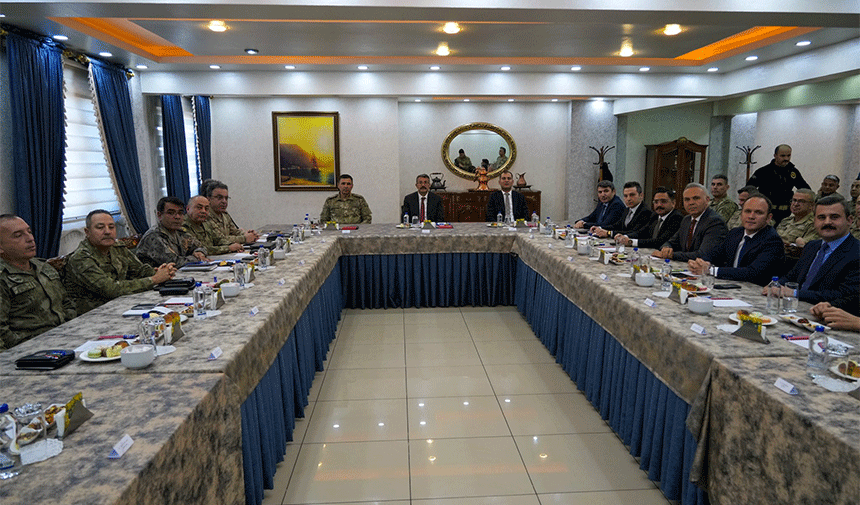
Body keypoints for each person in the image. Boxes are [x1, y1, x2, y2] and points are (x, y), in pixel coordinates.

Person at [64, 210, 176, 314]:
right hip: (94, 314)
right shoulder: (81, 258)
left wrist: (162, 271)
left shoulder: (117, 248)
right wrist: (154, 279)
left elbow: (140, 270)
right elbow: (111, 289)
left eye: (111, 227)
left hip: (123, 305)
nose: (107, 232)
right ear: (87, 232)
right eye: (100, 227)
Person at [766, 195, 859, 311]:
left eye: (834, 217)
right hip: (793, 310)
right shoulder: (812, 246)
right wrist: (776, 285)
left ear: (849, 220)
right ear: (814, 221)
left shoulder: (856, 252)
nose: (827, 222)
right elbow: (793, 275)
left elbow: (843, 294)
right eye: (821, 217)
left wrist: (794, 293)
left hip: (826, 317)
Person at [0, 214, 76, 351]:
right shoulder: (3, 278)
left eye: (29, 232)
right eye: (18, 235)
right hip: (29, 350)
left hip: (66, 338)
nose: (30, 239)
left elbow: (66, 302)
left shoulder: (43, 266)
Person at [688, 195, 784, 286]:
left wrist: (710, 270)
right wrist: (700, 263)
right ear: (741, 214)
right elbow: (715, 254)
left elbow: (752, 273)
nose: (751, 216)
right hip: (730, 286)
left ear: (768, 218)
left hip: (755, 294)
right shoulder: (735, 233)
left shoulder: (772, 240)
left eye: (758, 212)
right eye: (747, 211)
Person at [654, 183, 728, 261]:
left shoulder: (715, 222)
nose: (691, 203)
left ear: (707, 200)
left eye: (696, 198)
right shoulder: (687, 220)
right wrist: (666, 248)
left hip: (706, 271)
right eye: (687, 199)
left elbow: (703, 255)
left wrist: (671, 255)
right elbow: (672, 242)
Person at [136, 196, 210, 268]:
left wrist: (200, 253)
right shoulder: (154, 236)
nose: (177, 217)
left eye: (180, 213)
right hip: (156, 278)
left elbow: (201, 246)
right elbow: (175, 262)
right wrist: (196, 258)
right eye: (171, 213)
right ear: (159, 215)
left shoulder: (179, 232)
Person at [747, 144, 810, 224]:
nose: (786, 159)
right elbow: (749, 189)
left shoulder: (793, 172)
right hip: (766, 212)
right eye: (783, 156)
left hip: (785, 214)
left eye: (788, 155)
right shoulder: (763, 171)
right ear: (775, 155)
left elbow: (805, 189)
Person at [615, 186, 683, 250]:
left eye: (663, 201)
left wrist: (631, 242)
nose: (659, 205)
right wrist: (625, 237)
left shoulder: (676, 218)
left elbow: (660, 241)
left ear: (673, 203)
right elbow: (642, 232)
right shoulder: (655, 215)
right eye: (656, 202)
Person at [201, 179, 259, 245]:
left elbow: (234, 231)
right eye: (219, 197)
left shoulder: (224, 214)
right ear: (208, 199)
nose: (224, 201)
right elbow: (220, 239)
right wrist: (245, 238)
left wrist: (249, 234)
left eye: (226, 198)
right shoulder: (205, 216)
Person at [776, 189, 818, 256]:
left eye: (801, 201)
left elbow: (805, 248)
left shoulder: (814, 224)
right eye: (794, 200)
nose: (795, 204)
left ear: (812, 205)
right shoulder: (786, 220)